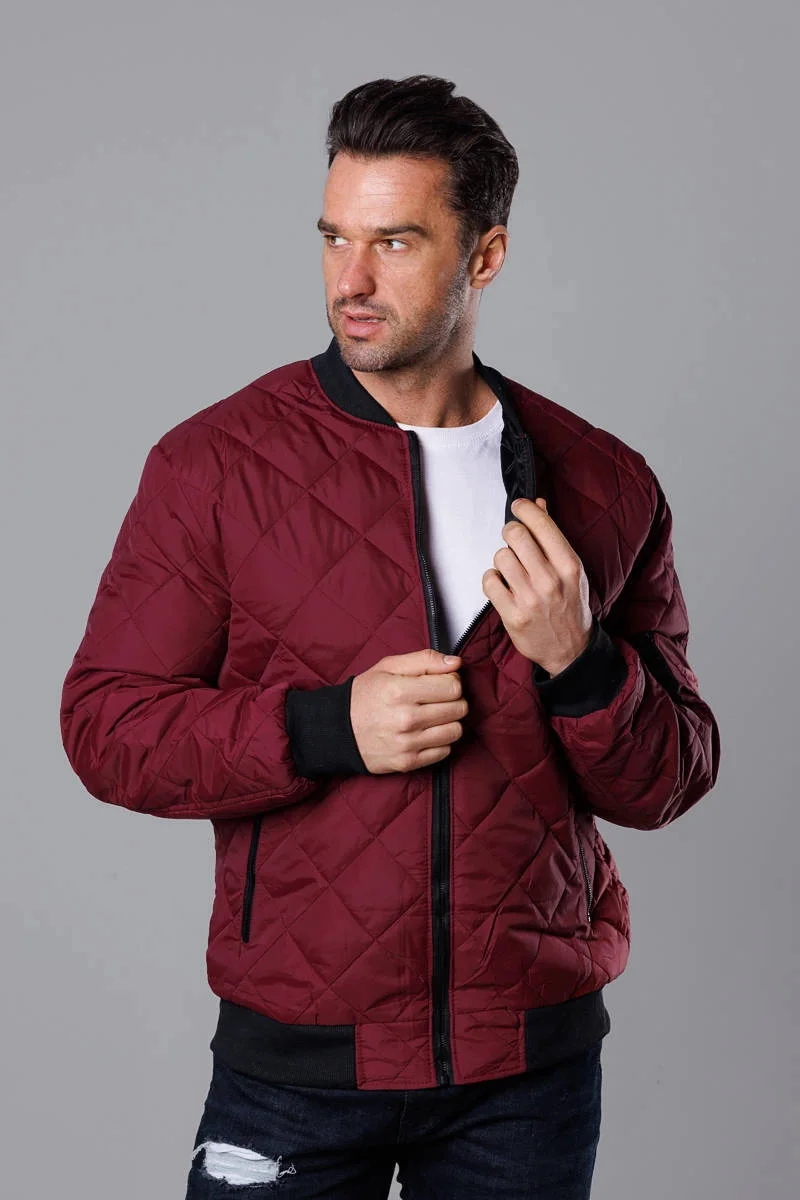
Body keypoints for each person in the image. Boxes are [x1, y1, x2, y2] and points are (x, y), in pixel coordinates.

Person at [60, 74, 721, 1199]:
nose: (350, 281)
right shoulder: (214, 467)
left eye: (396, 243)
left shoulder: (604, 483)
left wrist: (582, 663)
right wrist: (326, 727)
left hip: (528, 1071)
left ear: (485, 256)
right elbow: (105, 727)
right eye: (334, 238)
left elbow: (669, 779)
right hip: (295, 1068)